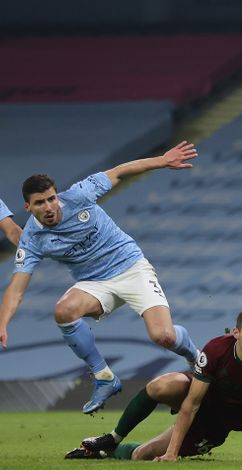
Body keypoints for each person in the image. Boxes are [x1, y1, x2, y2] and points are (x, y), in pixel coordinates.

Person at [0, 142, 202, 414]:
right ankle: (104, 377)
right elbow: (16, 289)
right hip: (94, 283)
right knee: (64, 311)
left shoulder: (80, 194)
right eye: (40, 203)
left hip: (131, 267)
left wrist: (162, 160)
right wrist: (3, 324)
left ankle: (196, 358)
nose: (48, 206)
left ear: (57, 195)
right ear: (28, 206)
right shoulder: (33, 239)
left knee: (163, 336)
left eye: (51, 198)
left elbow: (119, 171)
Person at [66, 308, 242, 463]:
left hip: (217, 425)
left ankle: (106, 452)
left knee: (143, 454)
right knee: (160, 386)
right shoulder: (216, 350)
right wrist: (172, 454)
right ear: (236, 333)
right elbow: (191, 404)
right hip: (200, 402)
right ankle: (113, 438)